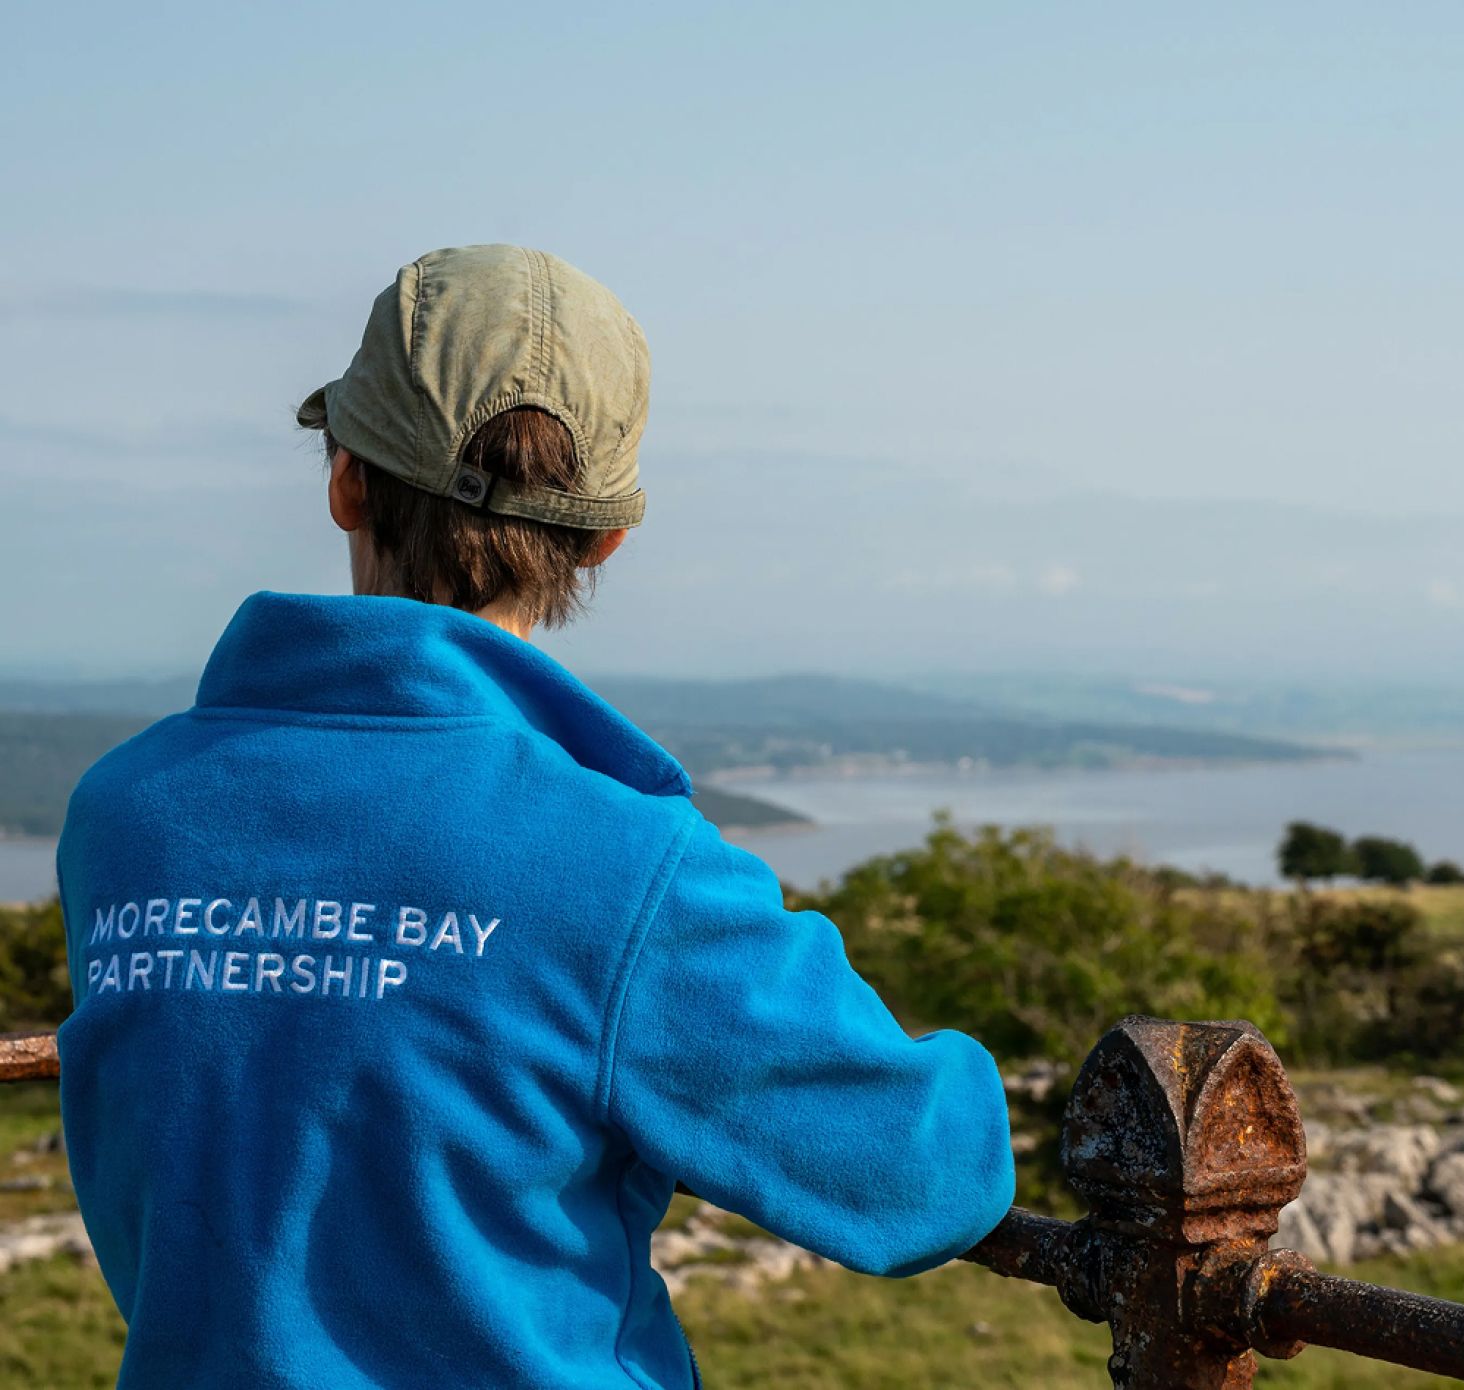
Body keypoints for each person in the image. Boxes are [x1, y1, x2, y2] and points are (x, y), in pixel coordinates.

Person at [55, 244, 1016, 1389]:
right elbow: (918, 1178)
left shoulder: (122, 815)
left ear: (345, 482)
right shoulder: (626, 866)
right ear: (605, 538)